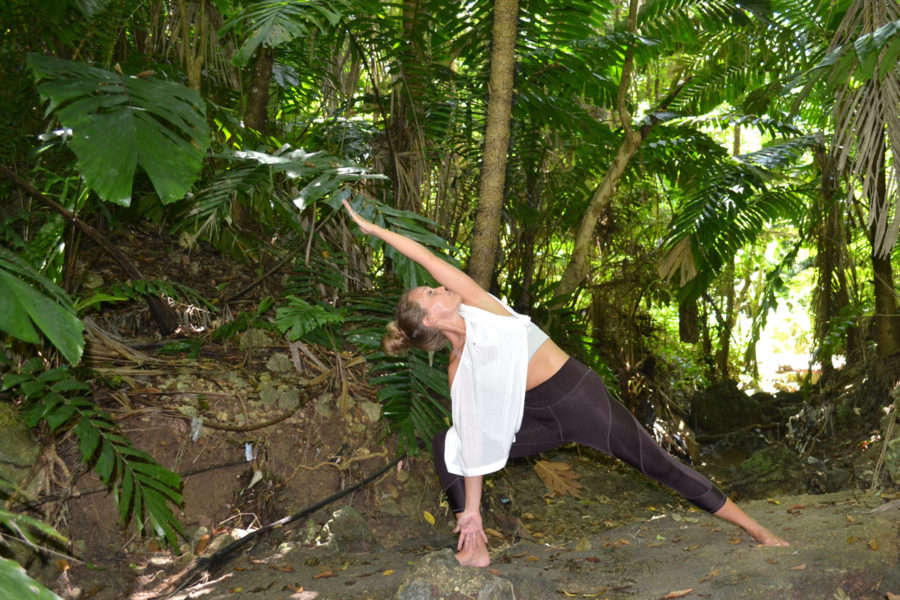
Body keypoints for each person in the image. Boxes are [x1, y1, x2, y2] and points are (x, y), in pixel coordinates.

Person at [343, 200, 789, 568]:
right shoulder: (459, 366)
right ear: (431, 319)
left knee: (658, 464)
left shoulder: (481, 306)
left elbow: (428, 258)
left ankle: (754, 527)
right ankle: (472, 538)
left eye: (435, 288)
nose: (439, 289)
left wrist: (373, 229)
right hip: (533, 417)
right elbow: (474, 441)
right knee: (449, 442)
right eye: (431, 294)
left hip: (578, 396)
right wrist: (473, 509)